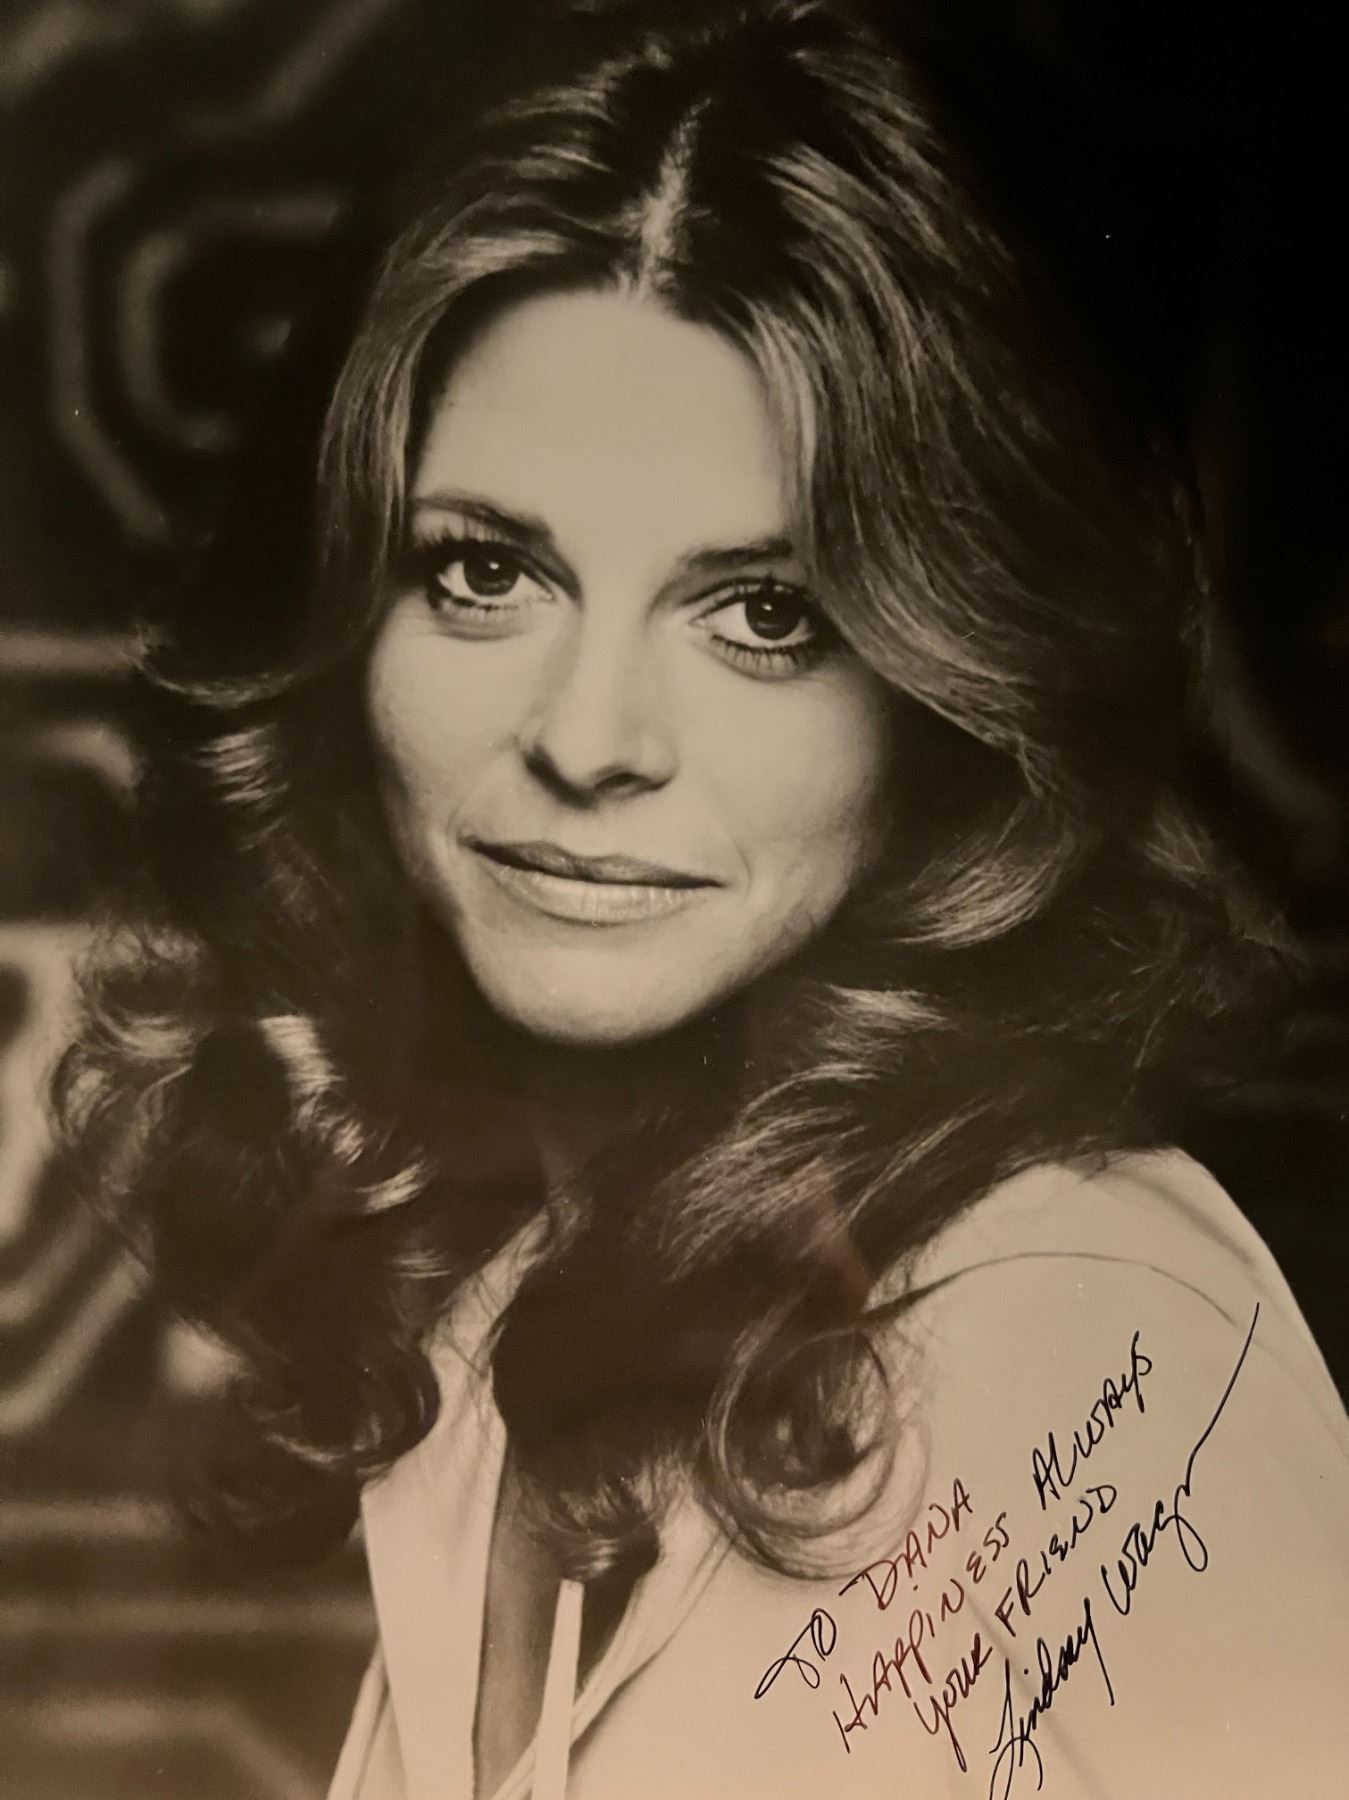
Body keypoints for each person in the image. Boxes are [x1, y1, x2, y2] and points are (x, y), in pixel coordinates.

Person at [56, 0, 1349, 1795]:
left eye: (764, 613)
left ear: (948, 691)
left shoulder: (1076, 1340)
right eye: (484, 571)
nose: (589, 741)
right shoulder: (495, 1311)